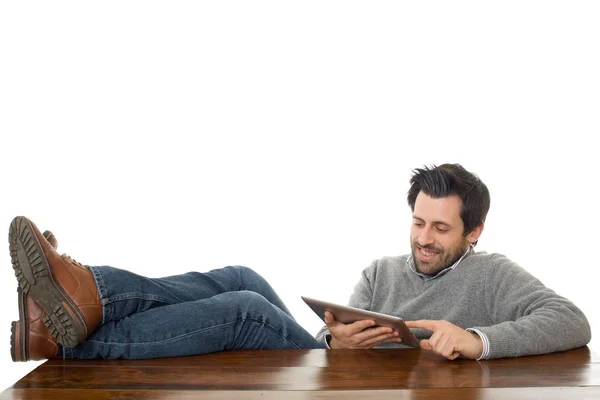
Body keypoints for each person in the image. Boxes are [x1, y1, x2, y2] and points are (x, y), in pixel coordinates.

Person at [8, 163, 591, 362]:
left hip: (342, 385)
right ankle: (85, 301)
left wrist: (475, 339)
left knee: (244, 310)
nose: (424, 239)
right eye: (418, 222)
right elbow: (324, 337)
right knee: (243, 278)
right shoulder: (381, 270)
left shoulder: (493, 276)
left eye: (441, 228)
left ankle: (74, 325)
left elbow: (573, 320)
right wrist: (338, 342)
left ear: (474, 231)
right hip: (334, 368)